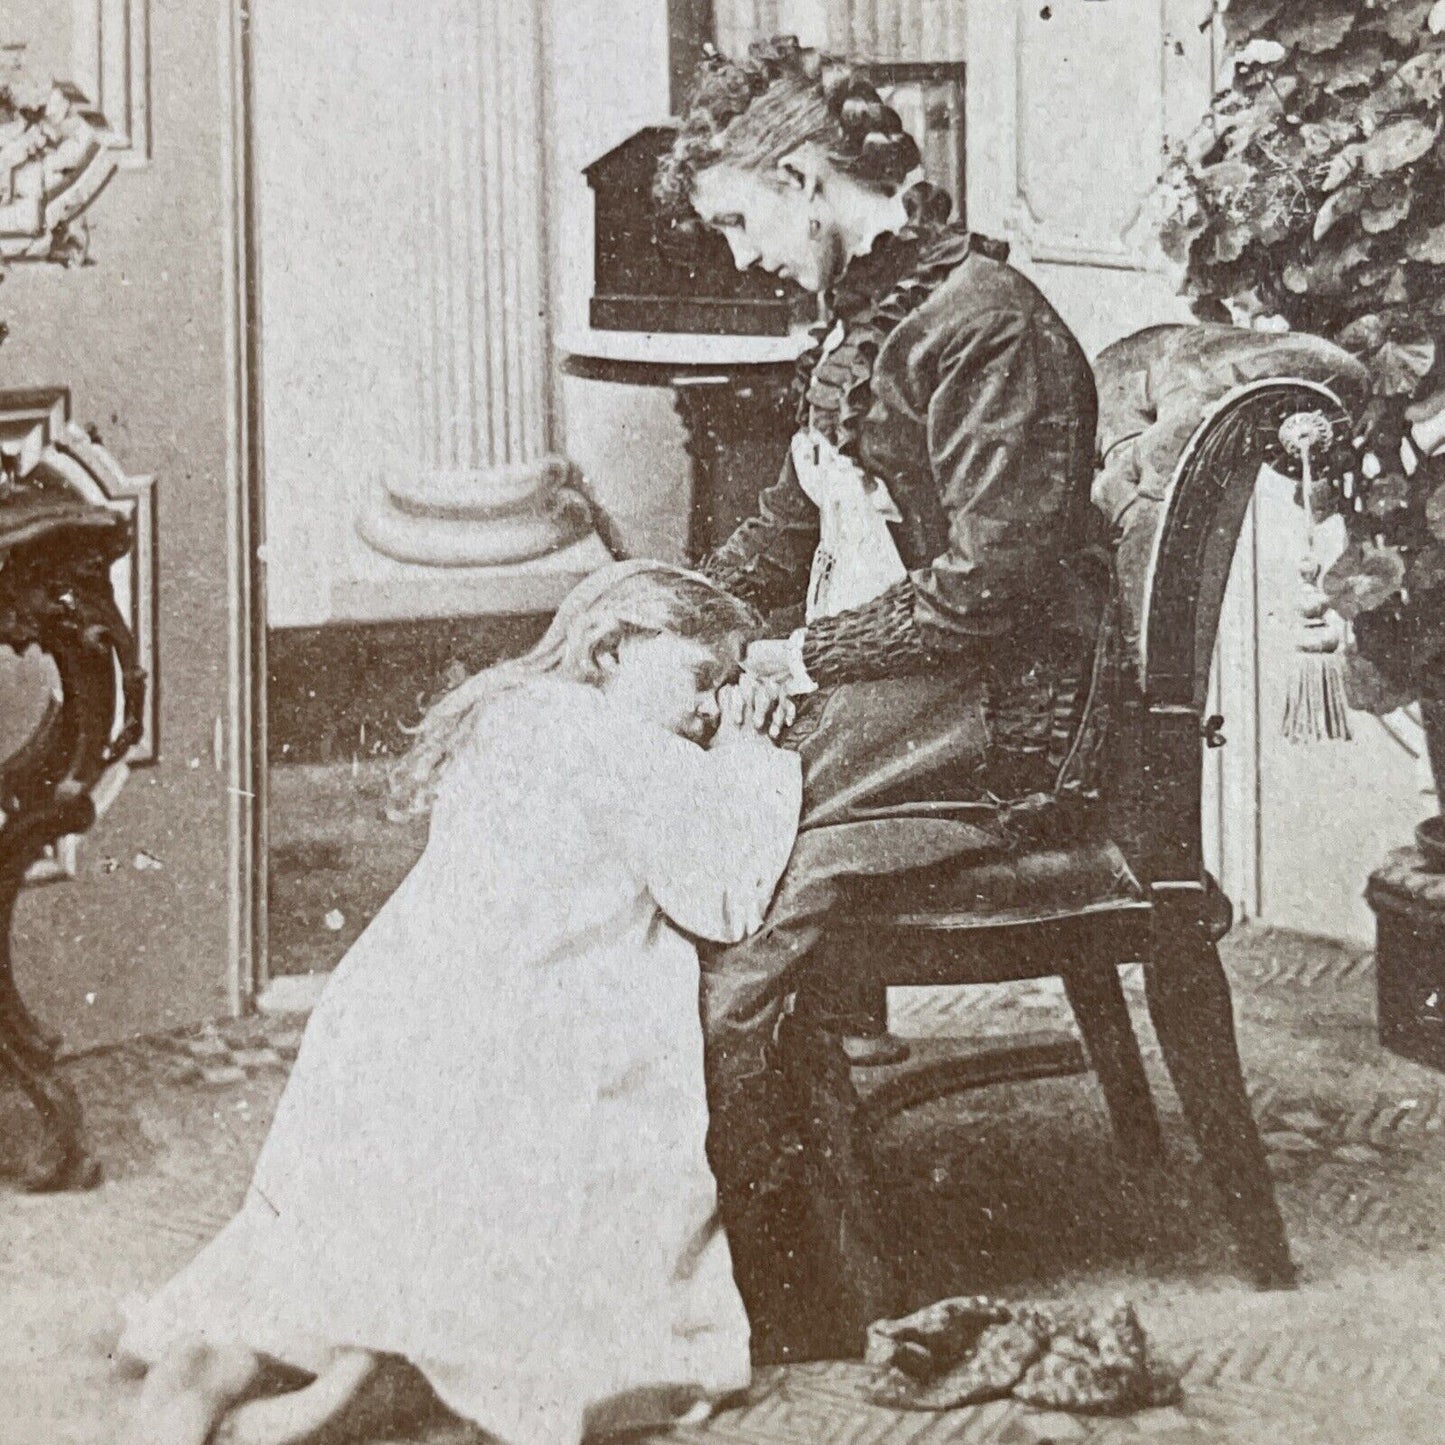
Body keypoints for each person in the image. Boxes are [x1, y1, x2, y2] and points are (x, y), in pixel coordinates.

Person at [115, 561, 802, 1445]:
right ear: (610, 648)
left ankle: (233, 1373)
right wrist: (751, 753)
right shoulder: (624, 743)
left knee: (351, 1229)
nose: (712, 707)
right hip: (525, 1021)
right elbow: (722, 896)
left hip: (399, 1004)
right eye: (703, 679)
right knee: (537, 1224)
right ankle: (382, 1370)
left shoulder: (509, 715)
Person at [653, 37, 1110, 1362]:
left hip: (1005, 727)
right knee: (683, 822)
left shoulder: (981, 324)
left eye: (741, 220)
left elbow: (998, 589)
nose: (739, 254)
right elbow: (787, 529)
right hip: (921, 685)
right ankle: (732, 1239)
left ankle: (786, 1286)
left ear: (806, 181)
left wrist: (798, 660)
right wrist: (664, 620)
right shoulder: (873, 315)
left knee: (734, 909)